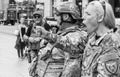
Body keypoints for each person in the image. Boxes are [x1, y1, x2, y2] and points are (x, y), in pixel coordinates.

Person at [36, 2, 87, 77]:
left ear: (65, 16)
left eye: (57, 15)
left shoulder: (78, 35)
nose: (55, 18)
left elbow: (69, 43)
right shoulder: (61, 33)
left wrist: (47, 35)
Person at [81, 1, 120, 77]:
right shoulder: (92, 38)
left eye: (88, 14)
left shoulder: (111, 43)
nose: (83, 17)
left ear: (100, 17)